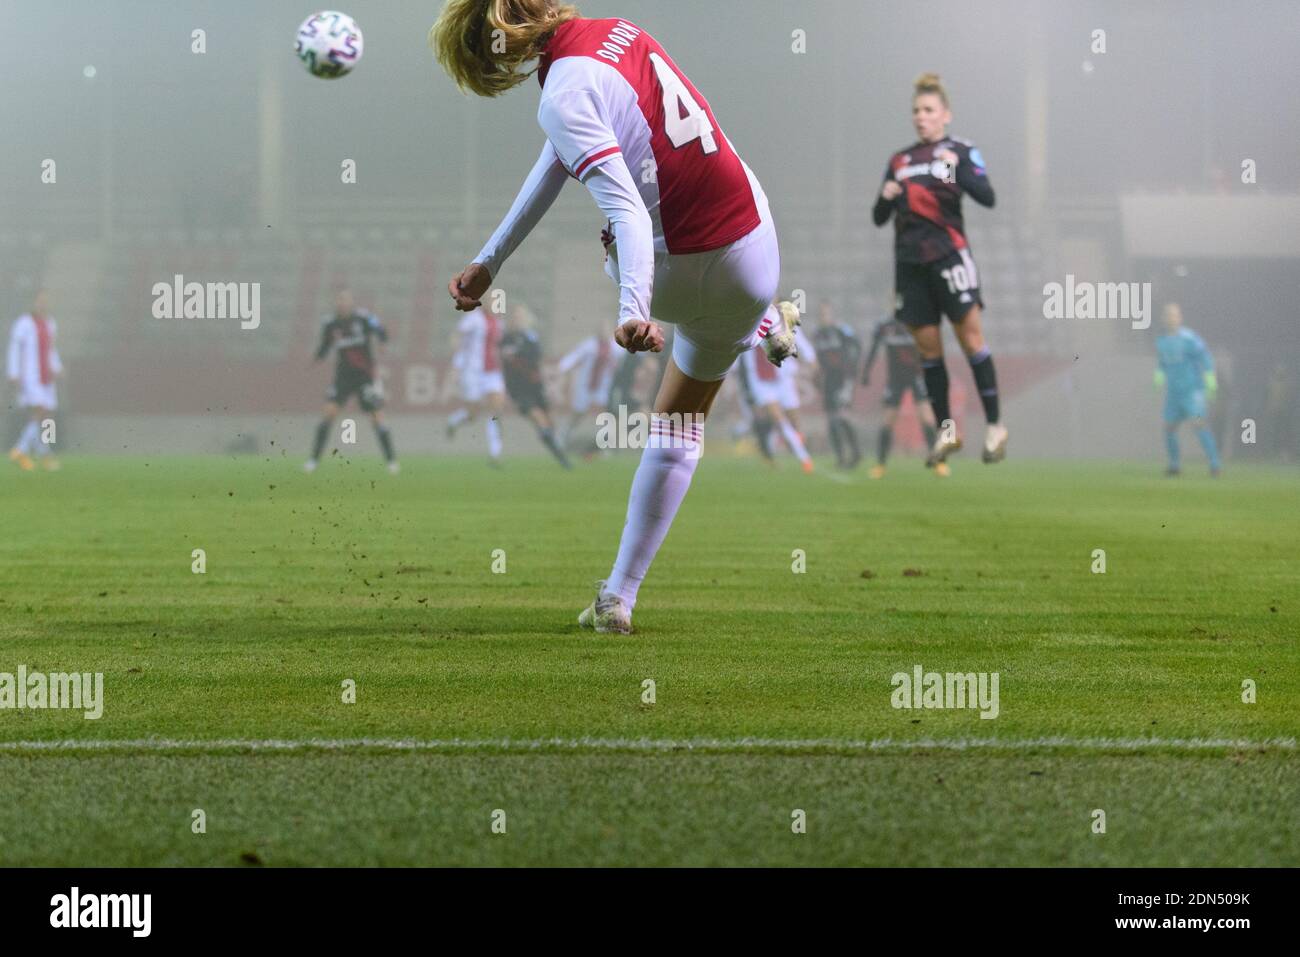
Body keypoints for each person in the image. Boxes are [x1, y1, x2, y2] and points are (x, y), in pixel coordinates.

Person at [432, 1, 796, 633]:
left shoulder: (563, 91)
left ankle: (620, 599)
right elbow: (559, 158)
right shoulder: (620, 33)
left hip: (669, 281)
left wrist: (632, 310)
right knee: (689, 410)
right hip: (754, 256)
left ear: (498, 46)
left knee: (672, 430)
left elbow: (626, 207)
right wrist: (490, 261)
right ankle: (766, 319)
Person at [873, 72, 1005, 467]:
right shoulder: (900, 160)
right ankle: (947, 431)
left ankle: (995, 426)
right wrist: (885, 197)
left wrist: (956, 171)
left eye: (928, 110)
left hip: (949, 257)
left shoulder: (961, 150)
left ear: (945, 114)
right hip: (910, 267)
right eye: (916, 111)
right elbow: (879, 217)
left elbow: (987, 197)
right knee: (929, 352)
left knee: (970, 341)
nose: (920, 117)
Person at [305, 288, 398, 474]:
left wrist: (382, 342)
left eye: (346, 300)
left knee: (377, 417)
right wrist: (316, 358)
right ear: (336, 303)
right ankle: (313, 461)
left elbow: (380, 330)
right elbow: (325, 346)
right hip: (343, 377)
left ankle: (391, 461)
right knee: (328, 414)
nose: (343, 303)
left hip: (365, 376)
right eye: (340, 300)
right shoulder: (330, 324)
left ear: (351, 302)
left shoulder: (363, 318)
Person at [862, 315, 945, 478]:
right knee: (887, 421)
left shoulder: (918, 321)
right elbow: (873, 349)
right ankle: (880, 465)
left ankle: (938, 462)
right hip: (895, 379)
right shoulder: (885, 326)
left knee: (927, 419)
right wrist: (866, 372)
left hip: (916, 376)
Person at [499, 303, 572, 468]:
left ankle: (559, 454)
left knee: (549, 423)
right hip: (518, 389)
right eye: (515, 317)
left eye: (521, 317)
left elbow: (536, 358)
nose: (518, 320)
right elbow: (505, 359)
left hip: (535, 386)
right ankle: (561, 456)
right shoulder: (506, 338)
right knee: (539, 418)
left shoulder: (531, 338)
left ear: (526, 320)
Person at [1155, 303, 1221, 477]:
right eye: (1168, 315)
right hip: (1174, 395)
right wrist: (1159, 374)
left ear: (1180, 318)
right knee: (1169, 427)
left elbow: (1204, 356)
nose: (1172, 318)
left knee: (1199, 423)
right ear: (1164, 319)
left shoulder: (1189, 338)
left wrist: (1210, 378)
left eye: (1175, 315)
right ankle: (1175, 465)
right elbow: (1162, 362)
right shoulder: (1161, 342)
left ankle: (1215, 464)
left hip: (1193, 393)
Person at [6, 290, 63, 472]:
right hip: (31, 375)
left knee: (46, 415)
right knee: (40, 410)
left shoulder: (50, 323)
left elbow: (50, 349)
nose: (43, 304)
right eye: (40, 301)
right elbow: (14, 349)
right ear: (33, 303)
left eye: (45, 301)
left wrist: (57, 366)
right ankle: (22, 449)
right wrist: (13, 372)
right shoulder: (23, 324)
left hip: (47, 375)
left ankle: (42, 453)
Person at [446, 305, 507, 467]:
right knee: (473, 414)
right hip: (473, 372)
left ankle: (495, 454)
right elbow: (458, 335)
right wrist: (456, 360)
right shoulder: (473, 318)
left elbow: (500, 344)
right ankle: (453, 421)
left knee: (496, 410)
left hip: (493, 372)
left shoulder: (499, 322)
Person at [810, 302, 862, 469]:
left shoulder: (842, 330)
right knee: (832, 420)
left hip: (843, 378)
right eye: (821, 313)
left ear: (832, 314)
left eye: (827, 313)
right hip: (829, 381)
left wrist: (851, 376)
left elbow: (856, 347)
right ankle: (841, 457)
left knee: (841, 416)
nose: (824, 316)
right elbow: (817, 359)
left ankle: (855, 453)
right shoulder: (817, 334)